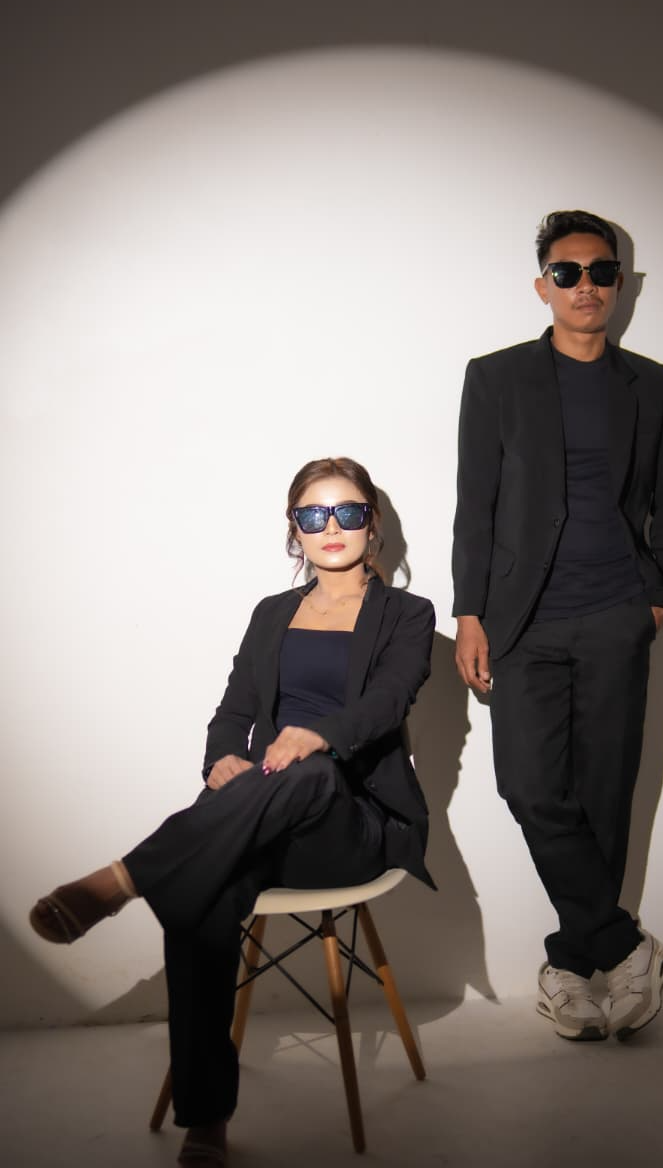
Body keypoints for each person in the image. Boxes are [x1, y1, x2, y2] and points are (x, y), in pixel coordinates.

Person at [30, 456, 435, 1167]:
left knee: (310, 772)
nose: (331, 527)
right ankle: (207, 1118)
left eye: (348, 512)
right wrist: (221, 758)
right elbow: (234, 710)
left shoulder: (408, 614)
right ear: (294, 529)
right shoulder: (272, 613)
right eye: (313, 514)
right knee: (202, 901)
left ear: (372, 525)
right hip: (260, 813)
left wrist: (318, 736)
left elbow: (386, 702)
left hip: (348, 822)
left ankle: (125, 878)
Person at [453, 210, 663, 1043]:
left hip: (615, 613)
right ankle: (623, 948)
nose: (583, 286)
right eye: (567, 273)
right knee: (528, 787)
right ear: (542, 286)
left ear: (618, 285)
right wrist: (469, 612)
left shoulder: (653, 386)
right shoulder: (495, 378)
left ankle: (571, 967)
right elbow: (475, 505)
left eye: (599, 272)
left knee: (603, 794)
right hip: (522, 620)